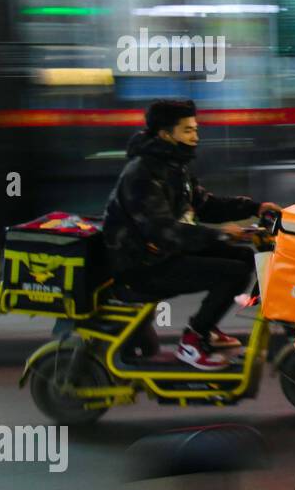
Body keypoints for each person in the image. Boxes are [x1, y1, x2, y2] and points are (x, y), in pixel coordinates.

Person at [101, 99, 280, 370]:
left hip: (163, 253)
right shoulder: (142, 174)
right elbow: (162, 230)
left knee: (244, 258)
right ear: (165, 134)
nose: (195, 136)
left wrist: (254, 208)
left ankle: (203, 328)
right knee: (231, 272)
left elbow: (204, 204)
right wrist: (220, 236)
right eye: (187, 131)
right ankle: (193, 341)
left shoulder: (173, 166)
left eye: (195, 129)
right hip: (142, 266)